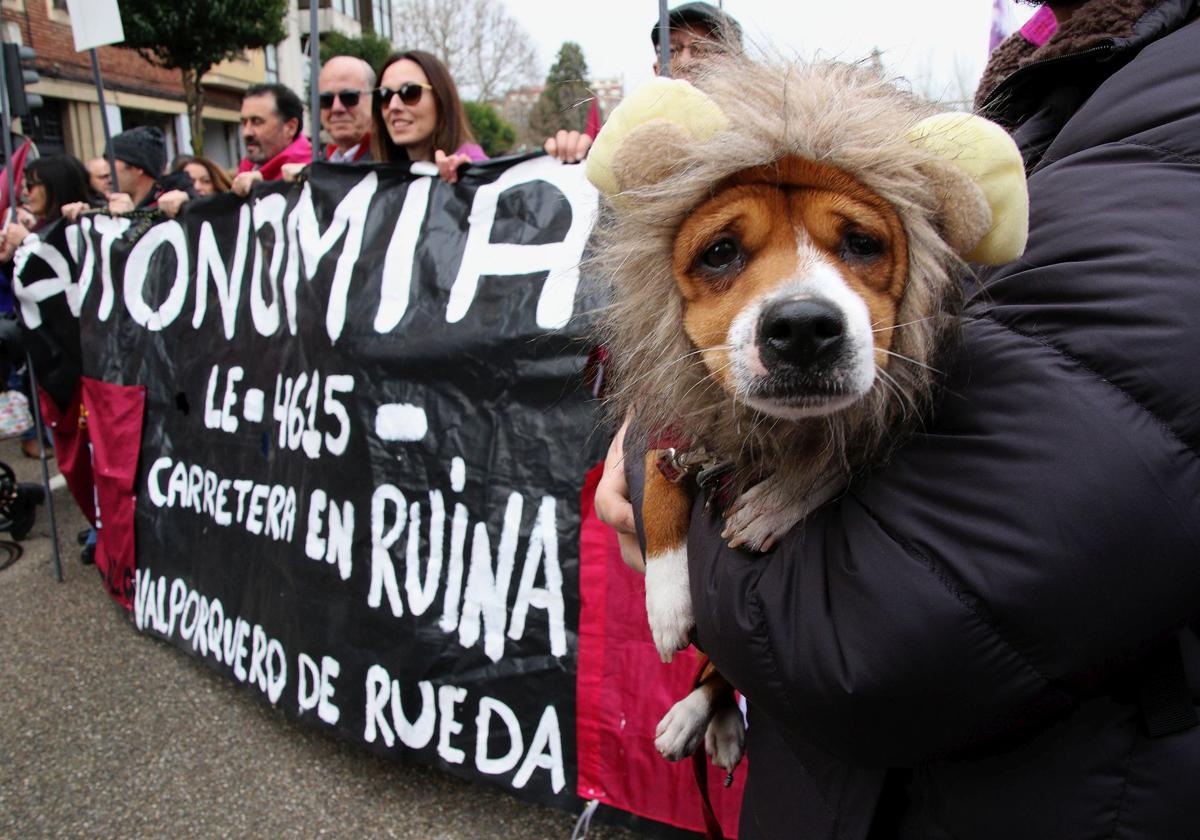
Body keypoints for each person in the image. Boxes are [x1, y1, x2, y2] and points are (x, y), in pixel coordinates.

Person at [602, 2, 1200, 837]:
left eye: (861, 244)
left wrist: (645, 461)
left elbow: (878, 635)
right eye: (722, 251)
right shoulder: (1060, 67)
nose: (802, 308)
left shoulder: (1163, 99)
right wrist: (662, 419)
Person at [0, 154, 99, 458]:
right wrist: (9, 258)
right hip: (52, 370)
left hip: (84, 367)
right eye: (24, 185)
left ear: (56, 185)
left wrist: (30, 244)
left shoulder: (81, 225)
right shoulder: (42, 229)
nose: (26, 193)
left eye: (33, 185)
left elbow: (62, 288)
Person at [371, 50, 487, 184]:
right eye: (384, 95)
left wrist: (471, 179)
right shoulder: (380, 180)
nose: (393, 106)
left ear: (440, 99)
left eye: (409, 92)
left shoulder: (471, 163)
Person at [231, 83, 313, 196]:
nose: (246, 132)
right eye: (244, 123)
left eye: (257, 122)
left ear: (290, 128)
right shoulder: (246, 170)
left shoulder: (315, 174)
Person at [319, 55, 375, 162]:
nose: (336, 108)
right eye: (327, 99)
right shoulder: (316, 167)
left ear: (374, 100)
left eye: (349, 97)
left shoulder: (394, 162)